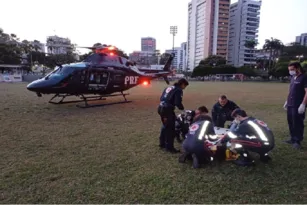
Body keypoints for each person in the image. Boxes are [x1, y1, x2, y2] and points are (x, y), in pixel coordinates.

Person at [158, 78, 189, 153]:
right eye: (185, 86)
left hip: (160, 108)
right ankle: (169, 148)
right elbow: (178, 102)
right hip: (167, 110)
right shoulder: (178, 90)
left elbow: (161, 98)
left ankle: (162, 144)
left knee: (165, 126)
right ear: (182, 84)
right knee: (171, 129)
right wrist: (183, 109)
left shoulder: (169, 87)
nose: (184, 88)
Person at [283, 62, 307, 149]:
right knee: (291, 122)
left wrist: (303, 104)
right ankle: (292, 138)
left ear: (298, 68)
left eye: (292, 69)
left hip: (298, 104)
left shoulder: (304, 77)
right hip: (290, 103)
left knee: (298, 123)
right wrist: (287, 101)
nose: (290, 71)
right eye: (289, 70)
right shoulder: (293, 77)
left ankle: (297, 141)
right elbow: (291, 90)